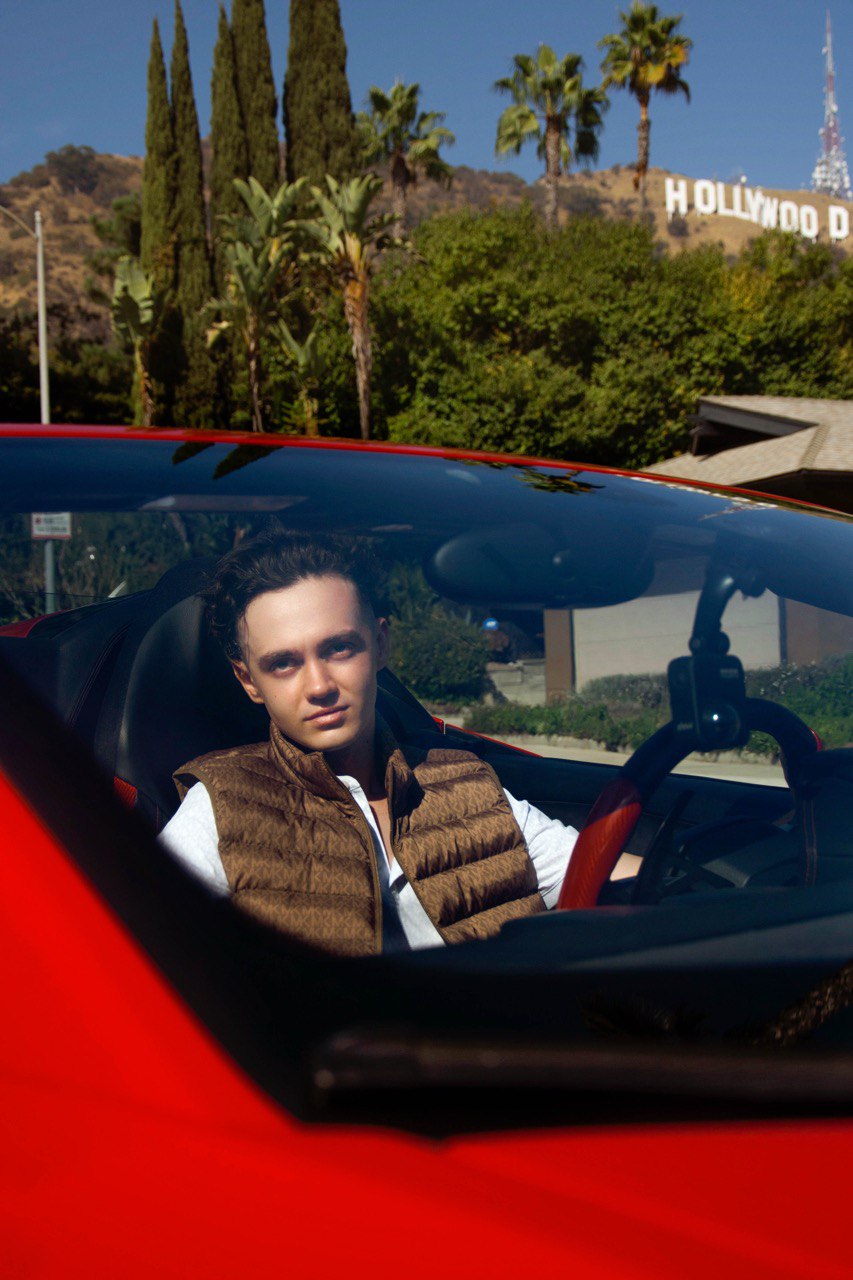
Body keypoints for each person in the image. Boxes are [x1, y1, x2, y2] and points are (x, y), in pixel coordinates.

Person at [160, 530, 578, 956]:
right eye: (283, 663)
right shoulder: (222, 804)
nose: (319, 686)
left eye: (339, 648)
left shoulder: (466, 781)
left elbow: (601, 873)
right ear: (248, 680)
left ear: (380, 644)